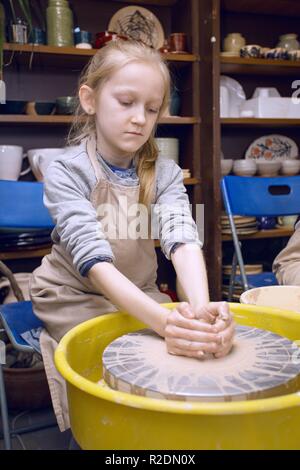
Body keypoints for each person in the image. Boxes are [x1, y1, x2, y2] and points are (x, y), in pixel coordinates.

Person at [30, 40, 235, 432]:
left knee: (185, 352)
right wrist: (165, 324)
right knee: (120, 361)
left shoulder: (166, 173)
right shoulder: (67, 171)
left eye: (152, 108)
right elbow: (94, 261)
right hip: (74, 295)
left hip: (140, 291)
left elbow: (182, 238)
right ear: (89, 99)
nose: (140, 118)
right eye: (126, 102)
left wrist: (203, 312)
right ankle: (101, 436)